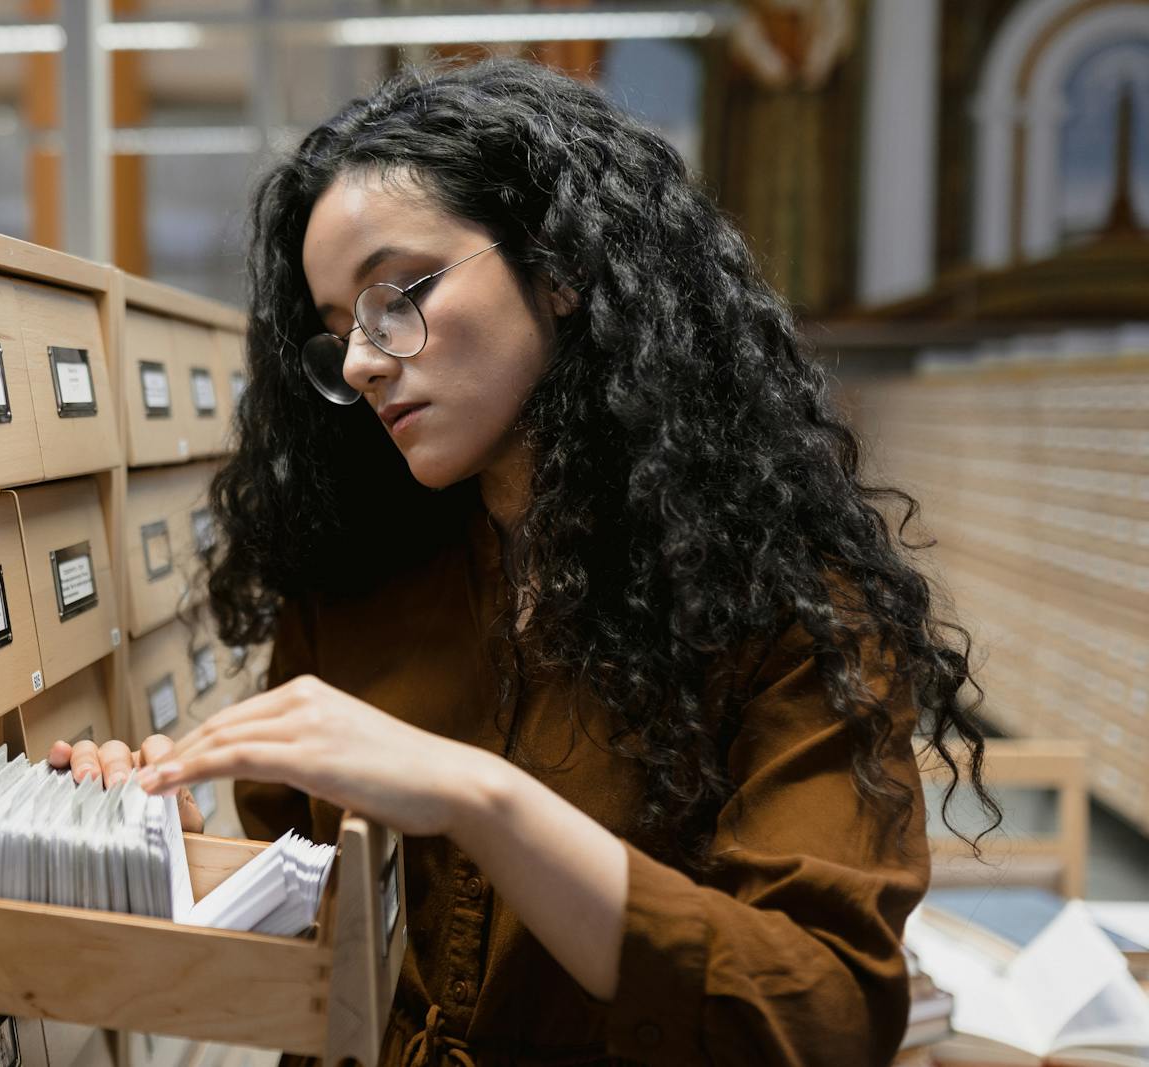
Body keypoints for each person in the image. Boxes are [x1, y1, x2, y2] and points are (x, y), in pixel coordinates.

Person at [49, 57, 1000, 1066]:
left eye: (398, 293)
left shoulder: (785, 608)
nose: (366, 360)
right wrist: (170, 850)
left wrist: (481, 798)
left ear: (557, 268)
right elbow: (316, 935)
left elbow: (822, 1011)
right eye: (337, 335)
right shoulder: (354, 583)